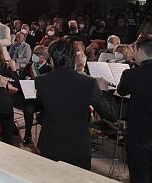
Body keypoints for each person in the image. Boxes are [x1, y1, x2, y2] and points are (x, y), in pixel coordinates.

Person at [36, 38, 113, 170]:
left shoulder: (40, 81)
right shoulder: (89, 83)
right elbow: (109, 114)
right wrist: (104, 91)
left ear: (52, 59)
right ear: (73, 58)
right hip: (78, 147)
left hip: (50, 143)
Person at [117, 35, 152, 183]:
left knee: (138, 182)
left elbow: (121, 91)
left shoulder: (132, 74)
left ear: (140, 50)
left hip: (139, 135)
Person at [19, 45, 53, 145]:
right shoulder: (29, 66)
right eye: (34, 53)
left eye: (38, 54)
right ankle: (28, 134)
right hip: (29, 97)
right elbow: (20, 80)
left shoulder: (49, 69)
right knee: (27, 109)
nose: (35, 55)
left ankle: (46, 136)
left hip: (42, 99)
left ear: (44, 57)